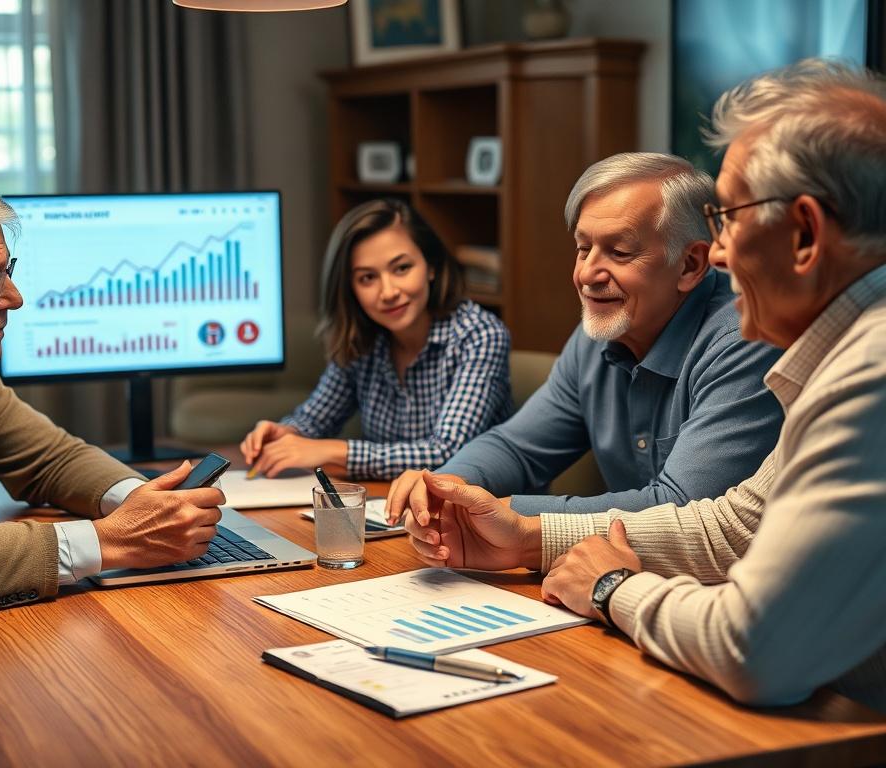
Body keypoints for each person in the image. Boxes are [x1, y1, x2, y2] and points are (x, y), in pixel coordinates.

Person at [400, 59, 886, 712]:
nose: (718, 251)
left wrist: (612, 589)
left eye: (731, 219)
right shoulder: (846, 353)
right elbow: (734, 525)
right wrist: (524, 536)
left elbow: (754, 652)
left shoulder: (868, 370)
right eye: (582, 248)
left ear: (803, 234)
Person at [0, 173, 223, 619]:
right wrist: (111, 539)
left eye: (7, 273)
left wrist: (143, 503)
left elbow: (51, 459)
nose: (14, 298)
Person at [387, 152, 783, 520]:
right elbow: (518, 447)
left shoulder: (744, 337)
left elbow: (680, 508)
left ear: (690, 264)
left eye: (620, 252)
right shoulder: (598, 333)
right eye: (582, 248)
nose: (587, 275)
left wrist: (506, 514)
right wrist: (450, 483)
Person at [240, 199, 512, 480]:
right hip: (384, 505)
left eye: (402, 268)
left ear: (431, 267)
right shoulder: (364, 337)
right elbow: (316, 419)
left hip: (479, 511)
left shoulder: (480, 336)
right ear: (350, 289)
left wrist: (333, 451)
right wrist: (288, 434)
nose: (388, 291)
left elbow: (447, 452)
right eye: (367, 278)